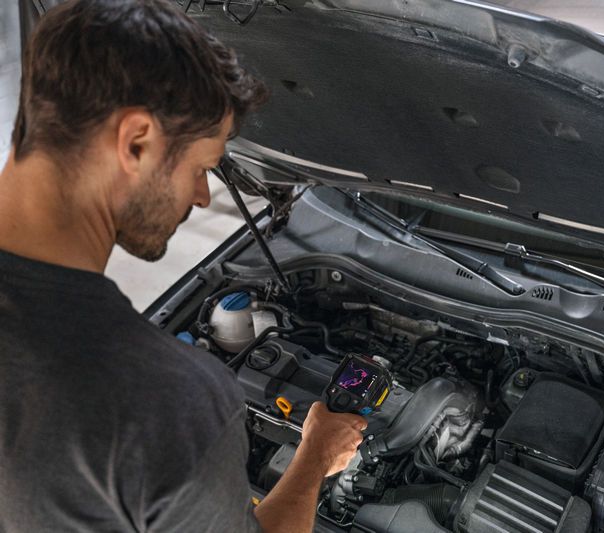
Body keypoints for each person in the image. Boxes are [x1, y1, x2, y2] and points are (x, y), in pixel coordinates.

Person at [0, 0, 366, 531]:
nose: (201, 196)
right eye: (203, 168)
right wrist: (315, 459)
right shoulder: (162, 402)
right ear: (136, 141)